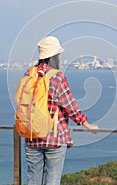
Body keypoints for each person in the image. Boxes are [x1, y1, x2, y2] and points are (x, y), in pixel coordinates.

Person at [25, 36, 99, 185]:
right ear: (54, 56)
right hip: (54, 137)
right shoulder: (56, 76)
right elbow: (69, 105)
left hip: (32, 136)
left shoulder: (29, 74)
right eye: (59, 54)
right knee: (52, 180)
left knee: (33, 180)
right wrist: (87, 124)